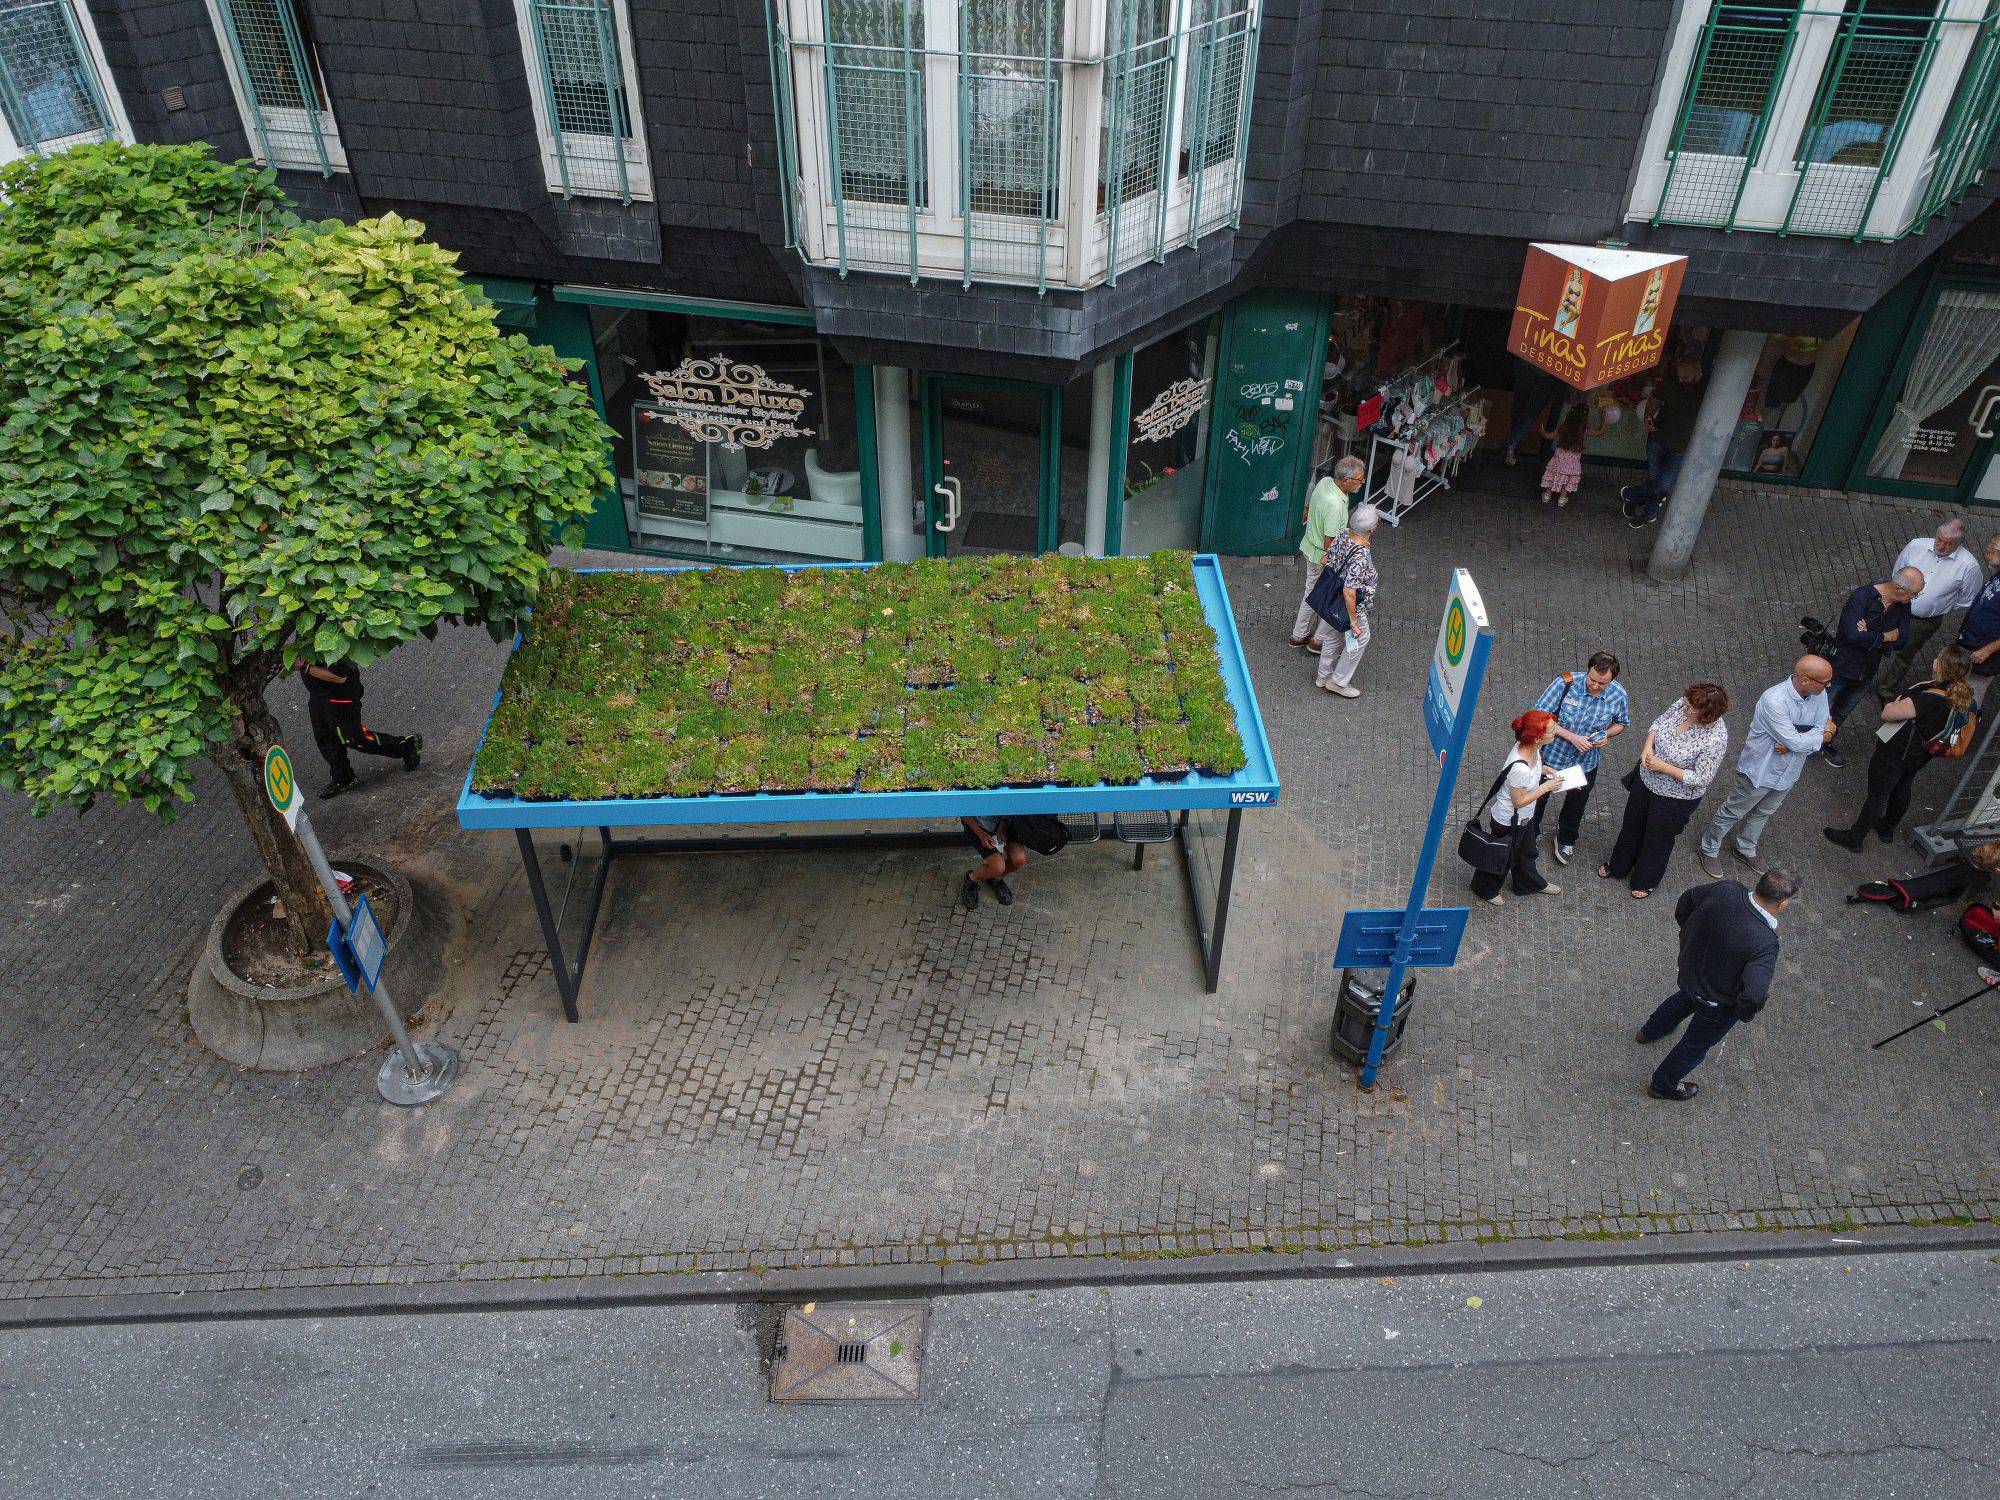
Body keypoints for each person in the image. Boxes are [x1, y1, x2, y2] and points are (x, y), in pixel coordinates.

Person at [1635, 868, 1797, 1101]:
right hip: (1718, 1000)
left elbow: (1686, 902)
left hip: (1691, 974)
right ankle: (1662, 1085)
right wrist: (1741, 1011)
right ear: (1781, 905)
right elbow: (1754, 993)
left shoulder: (1727, 889)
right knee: (1694, 1046)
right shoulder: (1765, 942)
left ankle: (1649, 1031)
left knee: (1682, 1001)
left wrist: (1689, 941)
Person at [1825, 645, 1975, 852]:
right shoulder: (1962, 697)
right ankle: (1886, 829)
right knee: (1903, 786)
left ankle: (1855, 838)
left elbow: (1888, 714)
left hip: (1896, 751)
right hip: (1920, 754)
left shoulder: (1928, 699)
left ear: (1941, 665)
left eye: (1939, 657)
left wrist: (1893, 703)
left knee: (1878, 795)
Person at [1697, 655, 1835, 879]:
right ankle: (1709, 848)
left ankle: (1745, 848)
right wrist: (1818, 737)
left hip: (1789, 772)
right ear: (1806, 679)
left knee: (1764, 812)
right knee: (1733, 811)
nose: (1828, 686)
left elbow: (1817, 729)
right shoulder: (1774, 700)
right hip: (1760, 770)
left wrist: (1798, 743)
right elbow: (1815, 734)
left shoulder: (1819, 694)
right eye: (1824, 682)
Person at [1600, 683, 1730, 899]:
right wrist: (1647, 747)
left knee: (1658, 838)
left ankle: (1646, 879)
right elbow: (1658, 724)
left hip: (1675, 797)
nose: (1686, 708)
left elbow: (1701, 778)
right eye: (1687, 703)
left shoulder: (1715, 738)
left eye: (1692, 708)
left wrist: (1664, 767)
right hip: (1647, 780)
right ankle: (1618, 864)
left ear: (1708, 714)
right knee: (1632, 824)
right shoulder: (1683, 704)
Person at [1530, 651, 1629, 865]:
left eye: (1602, 683)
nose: (1595, 686)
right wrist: (1572, 737)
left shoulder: (1618, 695)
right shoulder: (1565, 684)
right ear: (1588, 670)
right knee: (1538, 798)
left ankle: (1566, 839)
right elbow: (1538, 716)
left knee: (1576, 804)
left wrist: (1605, 735)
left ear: (1612, 680)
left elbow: (1621, 723)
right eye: (1592, 679)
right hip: (1550, 758)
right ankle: (1530, 834)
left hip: (1584, 764)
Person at [1822, 566, 1923, 768]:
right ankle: (1797, 742)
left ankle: (1825, 742)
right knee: (1820, 707)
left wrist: (1870, 633)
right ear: (1900, 589)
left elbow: (1902, 639)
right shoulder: (1862, 597)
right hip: (1841, 666)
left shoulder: (1903, 605)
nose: (1916, 597)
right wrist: (1886, 635)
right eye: (1915, 593)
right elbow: (1852, 635)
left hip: (1867, 671)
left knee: (1842, 712)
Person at [1469, 710, 1565, 906]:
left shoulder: (1533, 748)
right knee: (1501, 857)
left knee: (1526, 851)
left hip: (1523, 818)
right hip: (1509, 821)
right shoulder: (1520, 767)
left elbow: (1536, 769)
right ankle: (1484, 889)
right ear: (1538, 737)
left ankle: (1528, 883)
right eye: (1552, 730)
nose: (1555, 733)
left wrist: (1548, 771)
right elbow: (1519, 801)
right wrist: (1546, 787)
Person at [1877, 519, 1982, 698]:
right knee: (1875, 638)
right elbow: (1897, 572)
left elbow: (1967, 599)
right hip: (1896, 606)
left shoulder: (1969, 566)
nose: (1941, 546)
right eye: (1939, 540)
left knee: (1905, 653)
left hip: (1924, 620)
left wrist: (1937, 605)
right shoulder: (1916, 545)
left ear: (1959, 544)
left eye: (1948, 544)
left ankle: (1886, 689)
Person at [300, 659, 421, 799]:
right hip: (318, 696)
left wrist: (305, 667)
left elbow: (339, 677)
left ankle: (406, 746)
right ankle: (344, 779)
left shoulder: (336, 643)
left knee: (354, 738)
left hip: (340, 698)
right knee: (325, 738)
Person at [1287, 456, 1366, 649]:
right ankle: (1310, 639)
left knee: (1314, 592)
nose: (1361, 483)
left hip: (1309, 547)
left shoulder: (1325, 483)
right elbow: (1329, 542)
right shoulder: (1335, 505)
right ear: (1346, 480)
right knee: (1321, 596)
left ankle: (1301, 635)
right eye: (1359, 480)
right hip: (1320, 556)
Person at [1620, 354, 1707, 527]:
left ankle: (1630, 494)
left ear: (1697, 372)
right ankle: (1649, 513)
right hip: (1659, 438)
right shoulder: (1671, 381)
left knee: (1662, 484)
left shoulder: (1706, 388)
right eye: (1680, 376)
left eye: (1686, 377)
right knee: (1655, 478)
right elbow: (1655, 400)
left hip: (1680, 446)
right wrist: (1648, 415)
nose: (1681, 380)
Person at [1311, 503, 1381, 699]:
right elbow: (1349, 591)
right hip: (1351, 605)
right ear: (1372, 529)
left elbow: (1326, 559)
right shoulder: (1360, 555)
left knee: (1333, 635)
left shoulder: (1343, 534)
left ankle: (1323, 677)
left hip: (1331, 599)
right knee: (1360, 638)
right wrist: (1354, 622)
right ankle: (1339, 681)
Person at [1536, 401, 1603, 507]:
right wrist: (1605, 420)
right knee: (1567, 477)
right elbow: (1600, 432)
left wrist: (1542, 430)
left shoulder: (1564, 427)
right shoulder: (1584, 430)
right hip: (1572, 462)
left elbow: (1549, 436)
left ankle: (1547, 495)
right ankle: (1562, 498)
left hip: (1559, 459)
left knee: (1555, 474)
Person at [1955, 536, 2000, 678]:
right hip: (1972, 641)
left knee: (1969, 693)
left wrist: (1987, 650)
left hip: (1982, 650)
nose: (1987, 556)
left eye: (1990, 552)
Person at [1503, 360, 1560, 467]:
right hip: (1541, 366)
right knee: (1525, 408)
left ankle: (1512, 443)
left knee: (1525, 408)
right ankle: (1512, 443)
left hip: (1537, 365)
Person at [961, 816, 1026, 908]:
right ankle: (970, 879)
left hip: (1005, 823)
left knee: (1019, 859)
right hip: (979, 826)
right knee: (998, 867)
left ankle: (995, 878)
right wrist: (980, 834)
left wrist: (1002, 825)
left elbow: (1009, 805)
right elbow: (963, 815)